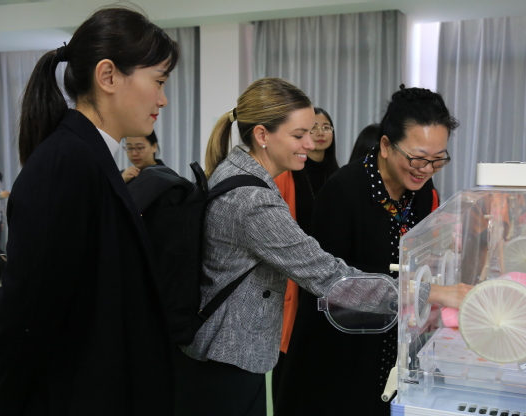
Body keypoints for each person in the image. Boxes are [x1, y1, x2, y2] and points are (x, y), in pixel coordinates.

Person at [173, 78, 469, 416]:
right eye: (299, 135)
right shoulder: (255, 201)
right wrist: (432, 292)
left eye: (437, 160)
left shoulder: (242, 176)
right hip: (229, 357)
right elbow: (331, 279)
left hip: (229, 354)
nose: (312, 143)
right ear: (262, 135)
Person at [0, 7, 179, 415]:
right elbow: (28, 314)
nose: (163, 99)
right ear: (108, 76)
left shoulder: (88, 157)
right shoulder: (66, 163)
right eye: (159, 81)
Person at [275, 86, 466, 416]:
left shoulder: (420, 192)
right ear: (386, 146)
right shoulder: (343, 191)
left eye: (438, 159)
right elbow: (337, 288)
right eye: (418, 157)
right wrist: (430, 292)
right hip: (339, 354)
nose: (426, 168)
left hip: (391, 343)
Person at [271, 107, 340, 401]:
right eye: (313, 128)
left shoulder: (340, 175)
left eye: (327, 127)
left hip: (331, 269)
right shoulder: (288, 174)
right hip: (297, 270)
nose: (320, 133)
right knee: (291, 346)